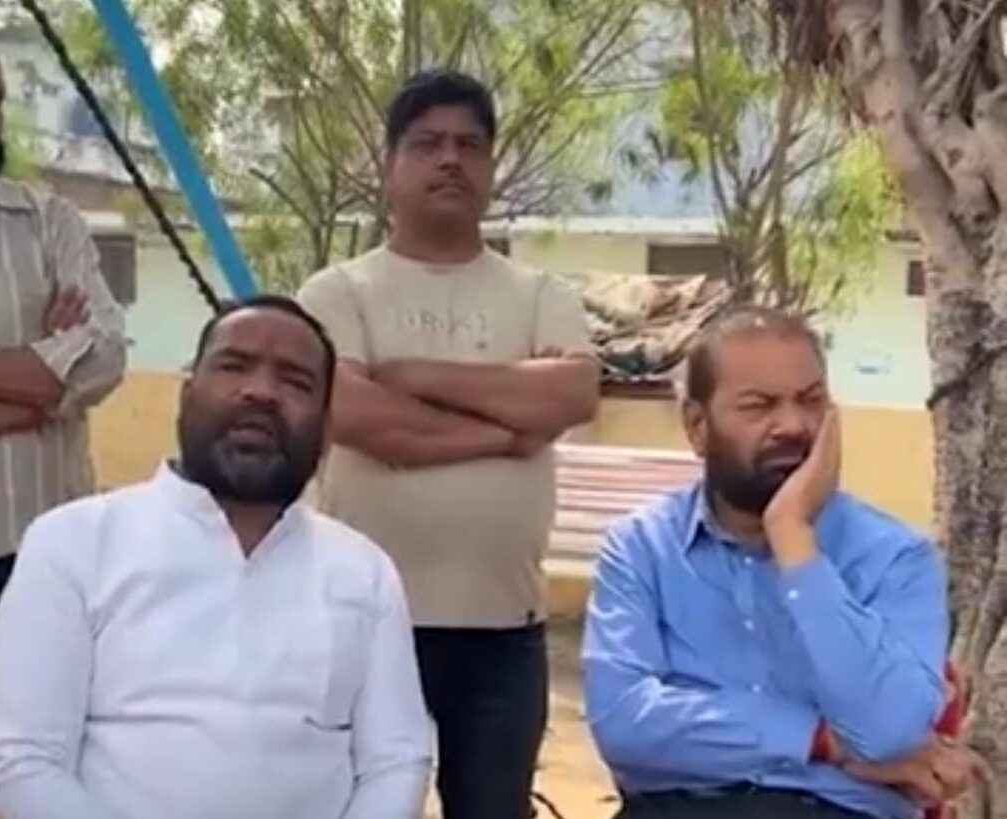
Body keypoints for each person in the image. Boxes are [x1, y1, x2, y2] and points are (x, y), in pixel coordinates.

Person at [0, 296, 432, 819]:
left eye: (295, 381)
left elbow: (396, 761)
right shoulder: (74, 543)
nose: (261, 391)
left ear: (326, 428)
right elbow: (22, 758)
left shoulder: (363, 571)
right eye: (234, 366)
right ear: (186, 395)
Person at [298, 70, 599, 819]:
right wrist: (505, 430)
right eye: (428, 143)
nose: (450, 160)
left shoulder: (540, 294)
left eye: (469, 145)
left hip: (503, 638)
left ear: (491, 167)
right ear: (389, 164)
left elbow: (569, 394)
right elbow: (361, 417)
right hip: (365, 627)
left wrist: (414, 375)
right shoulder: (337, 293)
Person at [582, 306, 989, 819]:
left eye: (811, 401)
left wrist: (794, 539)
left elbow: (893, 733)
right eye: (759, 406)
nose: (793, 425)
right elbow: (624, 724)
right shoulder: (642, 547)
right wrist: (821, 740)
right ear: (697, 426)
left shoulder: (895, 556)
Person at [0, 39, 126, 675]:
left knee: (41, 733)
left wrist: (60, 375)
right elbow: (71, 368)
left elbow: (105, 353)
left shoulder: (49, 221)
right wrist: (41, 379)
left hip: (46, 557)